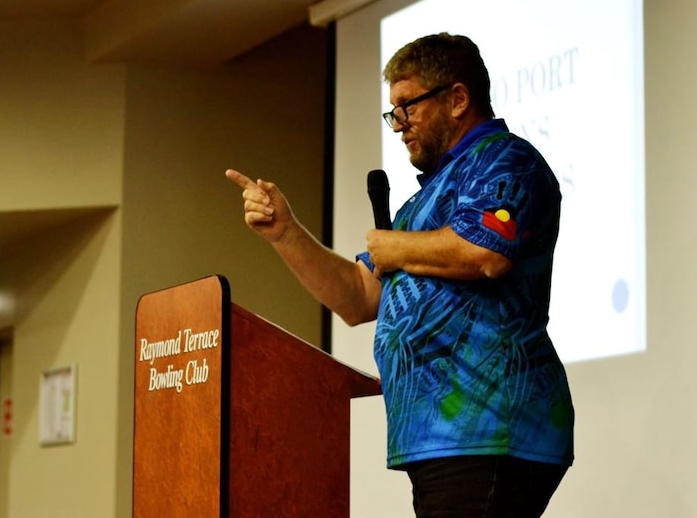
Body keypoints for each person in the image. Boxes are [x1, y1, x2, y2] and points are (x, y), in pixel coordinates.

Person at [226, 33, 573, 518]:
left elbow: (485, 252)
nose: (398, 125)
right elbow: (356, 297)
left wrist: (393, 246)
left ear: (457, 99)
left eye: (407, 106)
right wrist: (286, 233)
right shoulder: (420, 203)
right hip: (440, 440)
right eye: (394, 111)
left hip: (490, 429)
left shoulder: (506, 160)